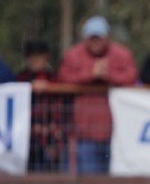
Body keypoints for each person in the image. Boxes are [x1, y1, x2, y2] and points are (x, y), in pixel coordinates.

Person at [57, 16, 138, 174]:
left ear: (107, 37)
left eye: (99, 38)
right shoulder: (73, 55)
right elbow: (63, 78)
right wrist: (91, 74)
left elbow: (132, 76)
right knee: (88, 182)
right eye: (92, 38)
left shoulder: (122, 54)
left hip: (117, 133)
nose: (96, 42)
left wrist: (108, 75)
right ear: (85, 38)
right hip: (84, 132)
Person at [17, 40, 66, 172]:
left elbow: (59, 111)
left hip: (49, 138)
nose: (36, 60)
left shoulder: (54, 80)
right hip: (26, 139)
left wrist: (55, 140)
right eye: (33, 57)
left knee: (50, 177)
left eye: (40, 56)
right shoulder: (19, 79)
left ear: (46, 57)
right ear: (27, 58)